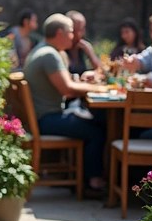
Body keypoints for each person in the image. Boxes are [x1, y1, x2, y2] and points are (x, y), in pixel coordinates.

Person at [24, 13, 107, 194]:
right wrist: (98, 89)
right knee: (97, 131)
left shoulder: (44, 50)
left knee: (94, 122)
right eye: (70, 32)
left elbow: (65, 82)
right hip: (46, 119)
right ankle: (92, 182)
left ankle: (87, 177)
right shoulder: (49, 55)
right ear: (60, 33)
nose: (73, 36)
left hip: (43, 117)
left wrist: (82, 80)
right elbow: (67, 89)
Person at [65, 10, 101, 77]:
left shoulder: (82, 47)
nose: (83, 33)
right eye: (79, 30)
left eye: (83, 28)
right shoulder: (61, 49)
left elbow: (100, 70)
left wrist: (90, 53)